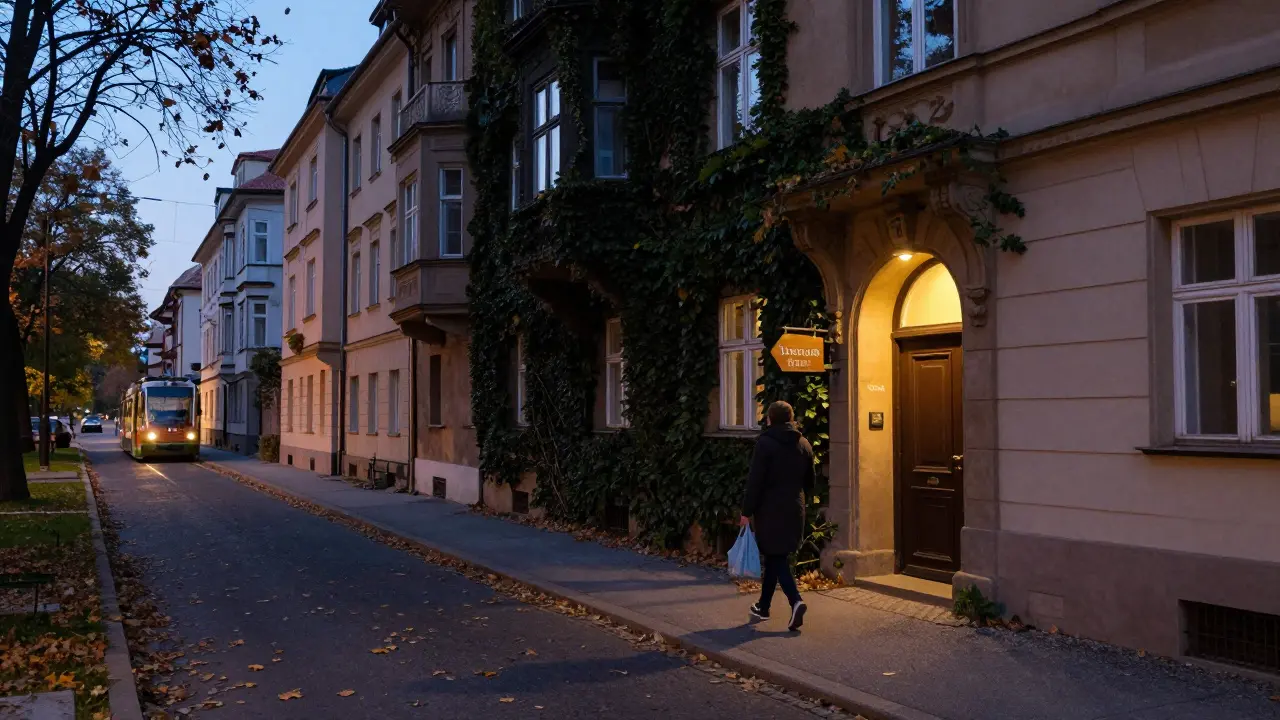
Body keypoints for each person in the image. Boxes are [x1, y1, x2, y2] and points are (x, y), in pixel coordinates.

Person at [741, 400, 815, 631]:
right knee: (775, 556)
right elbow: (810, 482)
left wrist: (746, 512)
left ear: (770, 419)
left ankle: (796, 601)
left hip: (770, 510)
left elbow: (755, 481)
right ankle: (763, 607)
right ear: (791, 418)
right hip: (795, 508)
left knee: (776, 557)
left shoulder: (765, 444)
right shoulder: (803, 444)